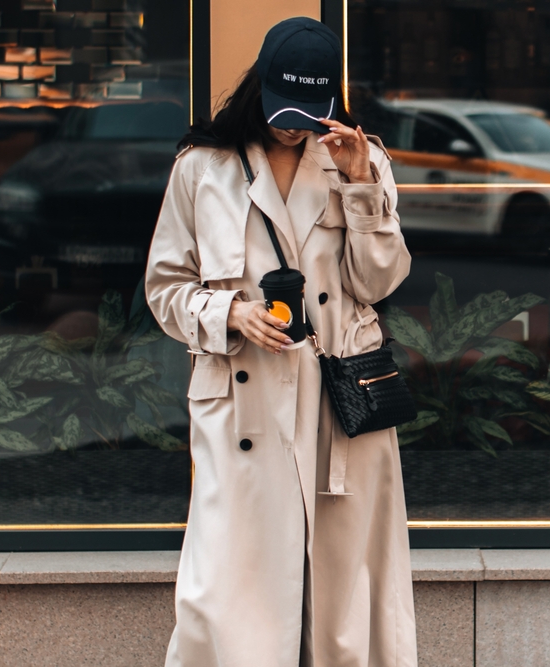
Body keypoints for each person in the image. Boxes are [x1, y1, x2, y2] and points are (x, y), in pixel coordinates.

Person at [145, 16, 417, 667]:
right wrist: (230, 314)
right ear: (259, 88)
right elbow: (165, 289)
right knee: (227, 594)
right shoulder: (202, 168)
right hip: (243, 403)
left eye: (306, 114)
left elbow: (376, 283)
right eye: (281, 110)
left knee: (346, 596)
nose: (292, 127)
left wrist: (361, 188)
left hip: (340, 402)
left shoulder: (362, 160)